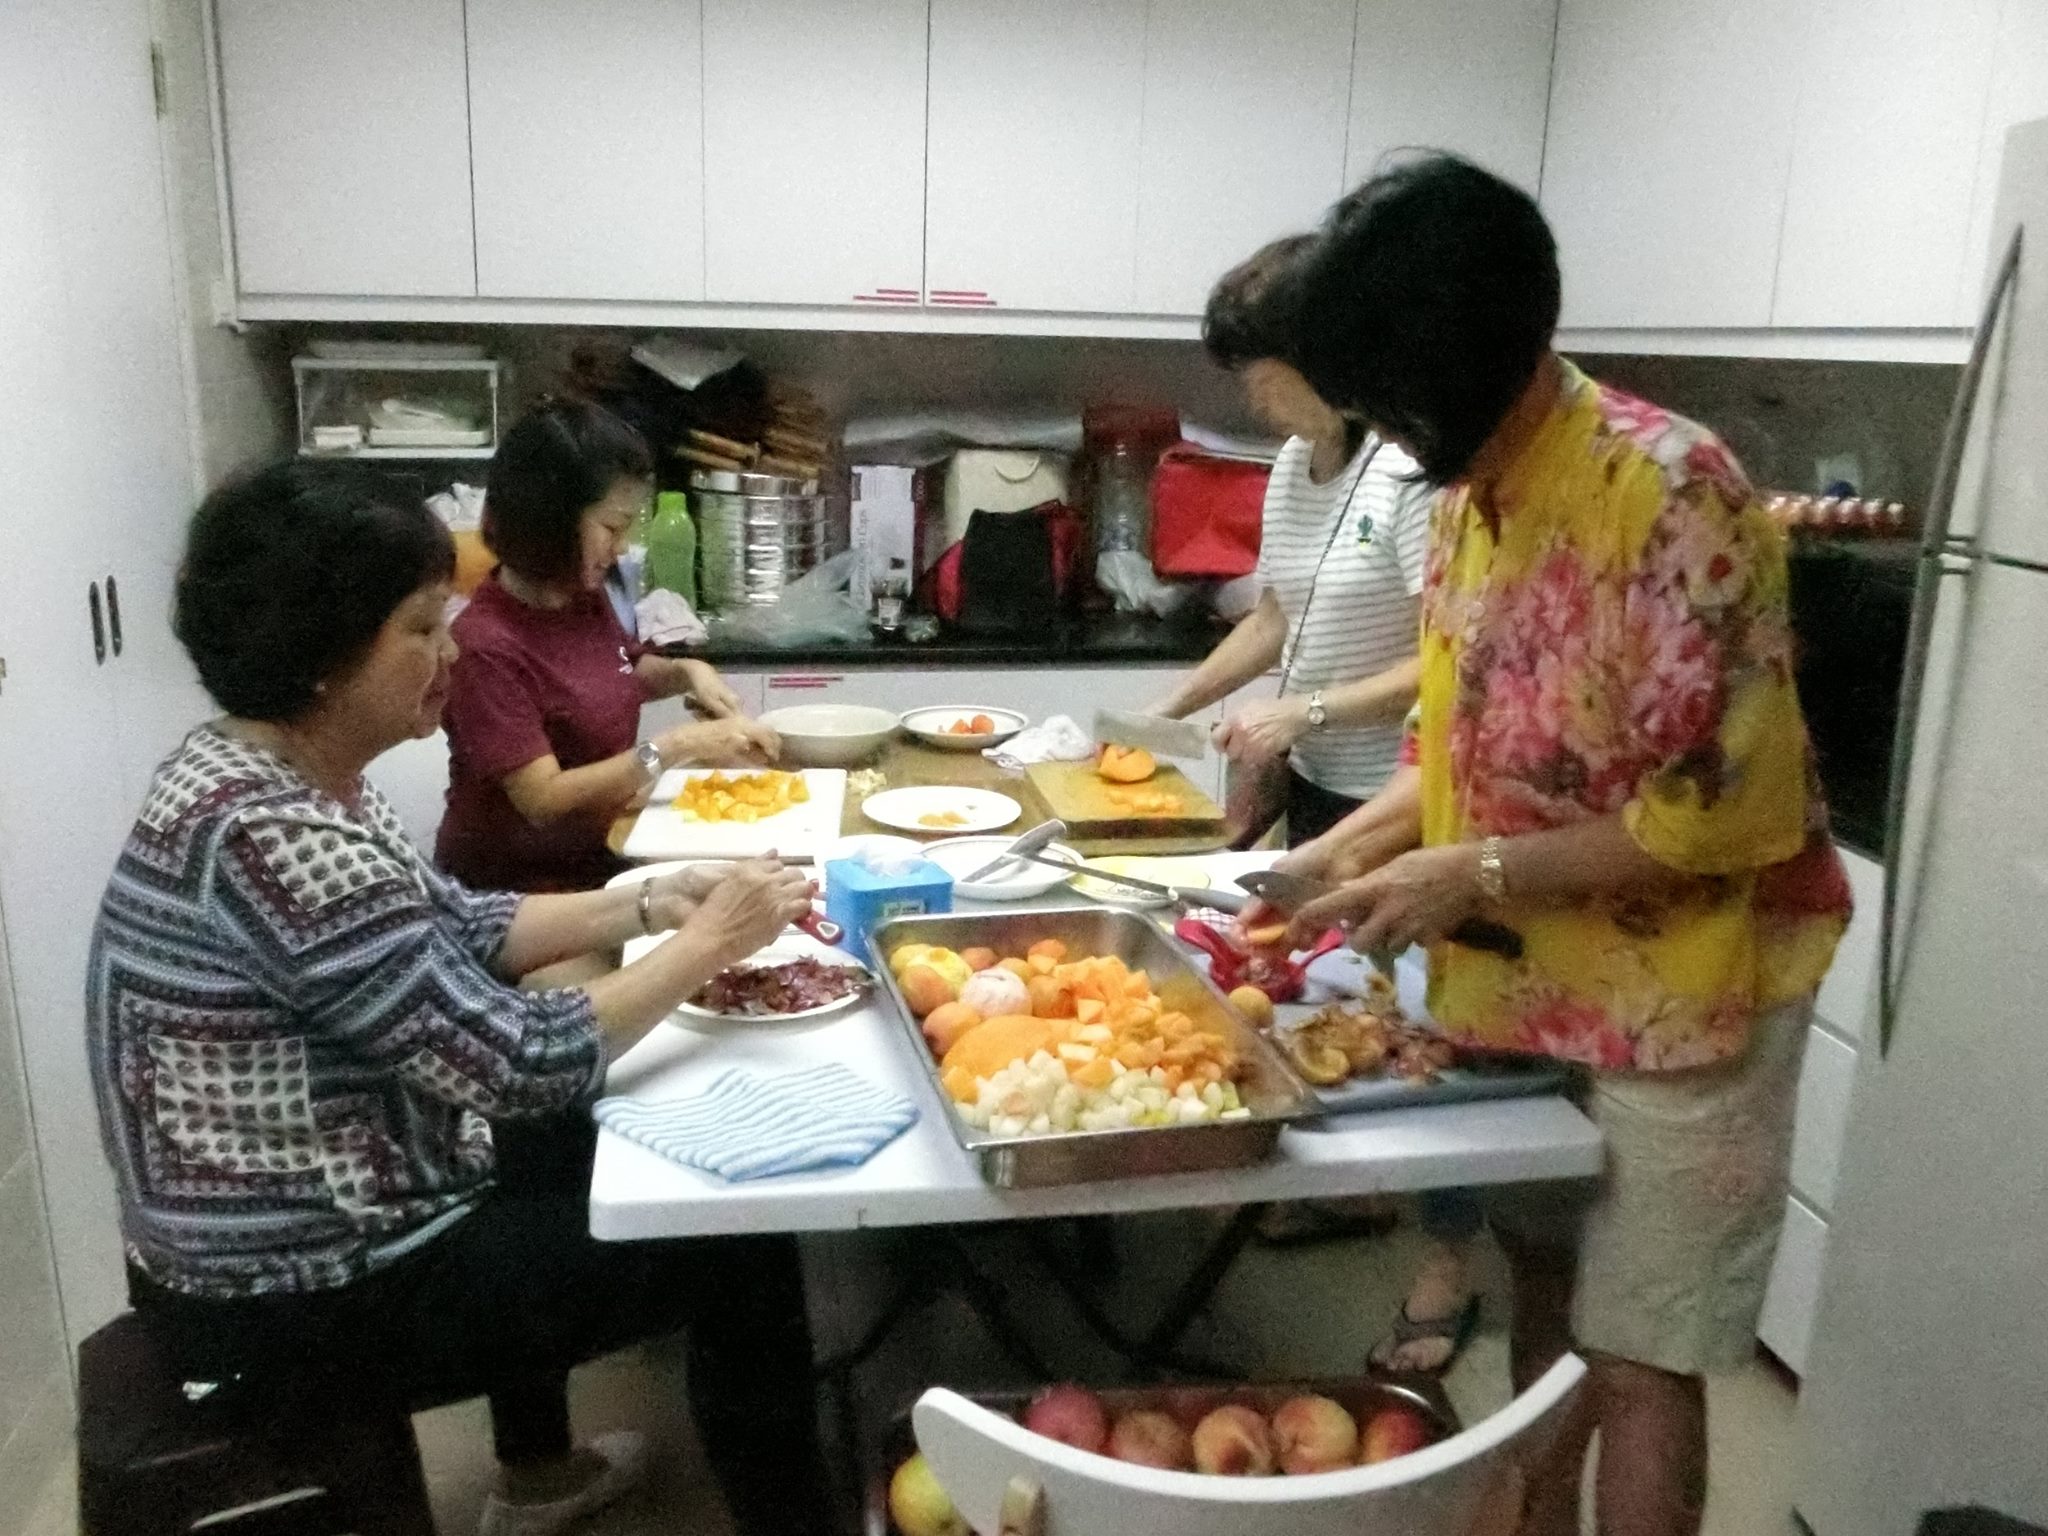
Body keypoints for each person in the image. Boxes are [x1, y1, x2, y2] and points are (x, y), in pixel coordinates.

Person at [1264, 154, 1850, 1536]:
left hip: (1689, 999)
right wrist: (1339, 856)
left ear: (1487, 354)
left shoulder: (1673, 493)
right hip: (1523, 983)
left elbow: (1722, 816)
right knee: (1544, 1309)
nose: (1390, 433)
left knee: (1641, 1359)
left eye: (1400, 402)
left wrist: (1468, 874)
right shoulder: (1470, 494)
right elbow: (1456, 744)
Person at [88, 460, 838, 1536]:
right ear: (318, 656)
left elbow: (457, 919)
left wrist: (647, 903)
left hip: (303, 1223)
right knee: (734, 1238)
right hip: (291, 1288)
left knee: (599, 1138)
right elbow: (523, 1061)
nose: (450, 652)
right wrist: (709, 942)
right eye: (418, 629)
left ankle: (537, 1477)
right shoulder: (269, 835)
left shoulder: (265, 772)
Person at [1144, 235, 1433, 847]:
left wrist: (1305, 710)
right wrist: (1162, 715)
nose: (1254, 402)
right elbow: (1274, 618)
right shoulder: (1293, 463)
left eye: (1265, 381)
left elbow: (1445, 662)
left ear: (1323, 363)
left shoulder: (1407, 470)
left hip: (1391, 798)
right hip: (1310, 778)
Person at [438, 399, 777, 894]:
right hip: (521, 896)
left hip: (605, 858)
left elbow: (617, 673)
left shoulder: (578, 595)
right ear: (549, 522)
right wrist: (679, 746)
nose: (620, 548)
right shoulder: (484, 646)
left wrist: (689, 672)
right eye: (612, 528)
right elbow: (544, 799)